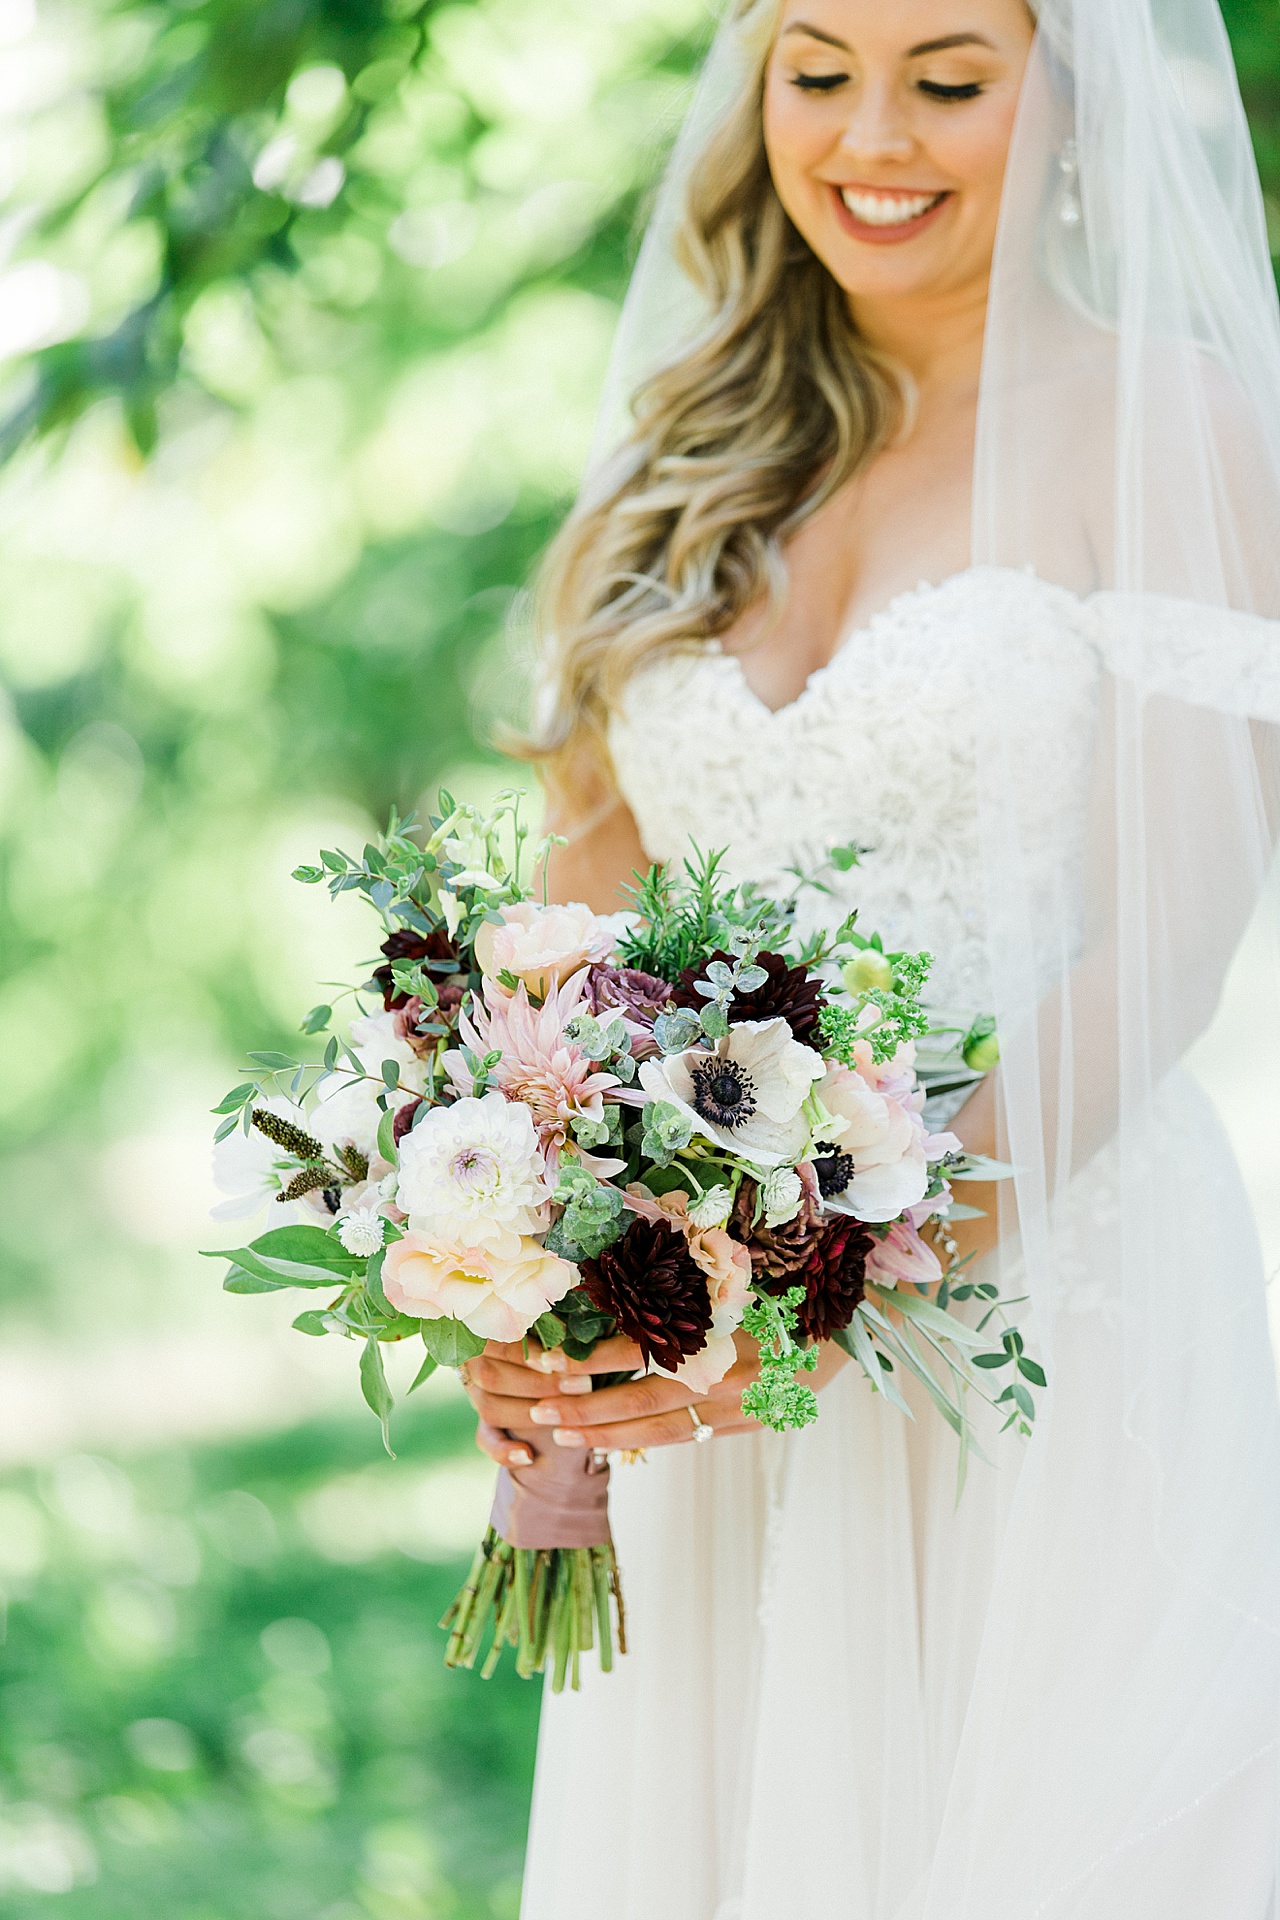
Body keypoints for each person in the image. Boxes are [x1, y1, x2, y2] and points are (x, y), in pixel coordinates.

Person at [461, 2, 1280, 1914]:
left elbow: (1164, 952)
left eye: (950, 75)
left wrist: (816, 1315)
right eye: (820, 70)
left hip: (1042, 1309)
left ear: (1068, 102)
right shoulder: (678, 460)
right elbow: (575, 960)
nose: (872, 134)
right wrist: (520, 1280)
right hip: (705, 1366)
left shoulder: (1183, 426)